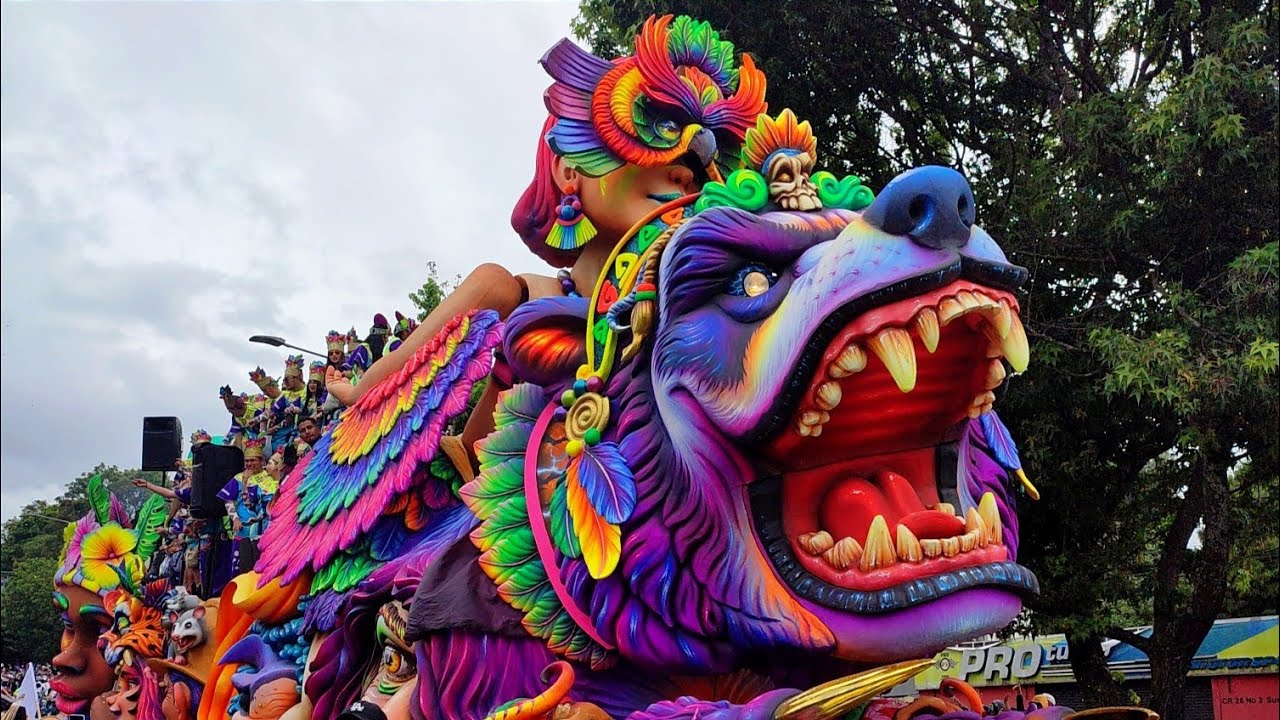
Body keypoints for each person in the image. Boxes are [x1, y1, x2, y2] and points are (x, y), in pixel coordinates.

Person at [324, 20, 767, 478]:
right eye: (656, 139)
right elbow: (425, 405)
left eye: (697, 166)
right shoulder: (516, 294)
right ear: (570, 169)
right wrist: (361, 391)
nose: (684, 176)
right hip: (509, 525)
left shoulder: (692, 304)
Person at [217, 438, 275, 574]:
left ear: (262, 461)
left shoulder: (269, 478)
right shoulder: (238, 478)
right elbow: (228, 500)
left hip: (264, 529)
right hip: (243, 529)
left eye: (253, 460)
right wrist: (235, 518)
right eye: (246, 461)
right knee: (239, 567)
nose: (249, 464)